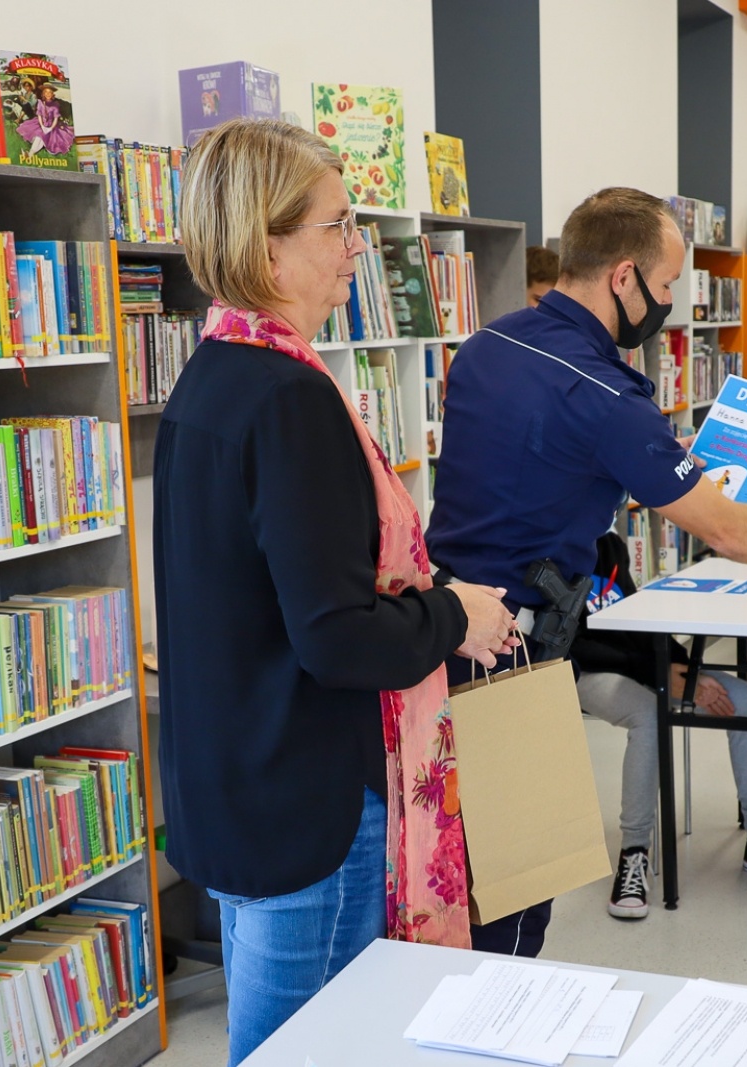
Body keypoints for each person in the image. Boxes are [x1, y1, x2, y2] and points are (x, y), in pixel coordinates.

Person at [157, 119, 517, 1066]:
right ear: (268, 244)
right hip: (309, 805)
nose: (357, 248)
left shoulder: (209, 376)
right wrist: (455, 614)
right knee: (311, 1049)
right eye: (339, 226)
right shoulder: (289, 399)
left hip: (238, 787)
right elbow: (336, 636)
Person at [426, 187, 747, 955]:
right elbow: (726, 527)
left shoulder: (485, 348)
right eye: (666, 286)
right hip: (515, 655)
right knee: (518, 892)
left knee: (456, 870)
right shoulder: (606, 393)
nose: (668, 303)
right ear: (623, 276)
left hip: (443, 627)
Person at [573, 533, 747, 921]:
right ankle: (634, 854)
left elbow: (641, 622)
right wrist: (659, 675)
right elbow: (573, 644)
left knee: (745, 699)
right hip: (586, 674)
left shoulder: (610, 545)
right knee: (649, 714)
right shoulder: (552, 546)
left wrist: (686, 673)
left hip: (643, 667)